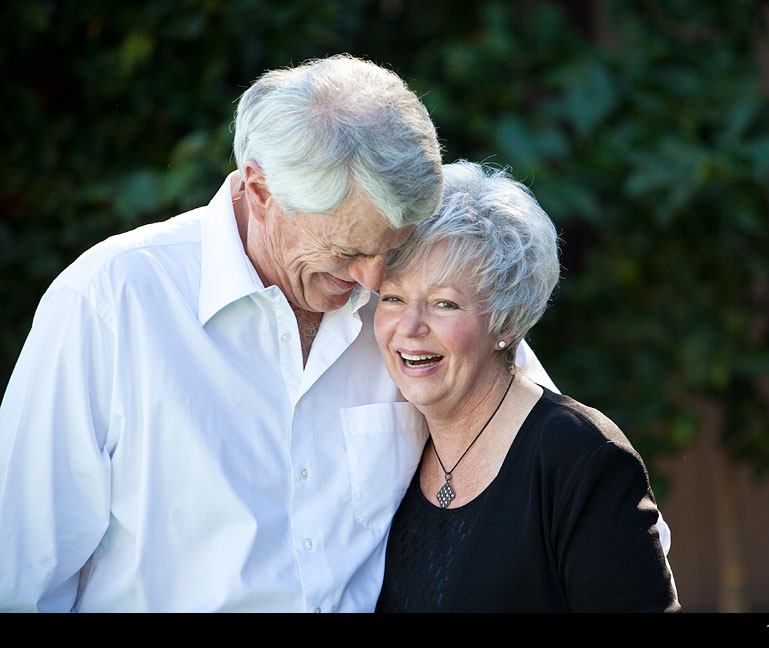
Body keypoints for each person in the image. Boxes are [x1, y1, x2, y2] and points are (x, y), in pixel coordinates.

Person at [0, 55, 552, 613]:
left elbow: (550, 450)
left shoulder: (406, 298)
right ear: (260, 191)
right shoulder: (110, 301)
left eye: (390, 250)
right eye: (347, 251)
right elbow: (22, 573)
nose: (371, 280)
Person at [373, 161, 679, 612]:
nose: (410, 326)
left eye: (445, 303)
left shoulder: (580, 457)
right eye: (394, 297)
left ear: (508, 322)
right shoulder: (396, 452)